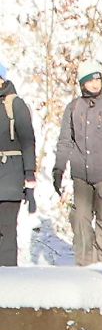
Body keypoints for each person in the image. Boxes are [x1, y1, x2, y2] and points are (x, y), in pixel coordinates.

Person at [52, 62, 102, 268]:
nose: (95, 83)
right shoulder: (73, 108)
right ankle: (84, 266)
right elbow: (65, 141)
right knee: (80, 219)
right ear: (82, 83)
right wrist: (58, 169)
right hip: (81, 174)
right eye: (90, 80)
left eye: (98, 79)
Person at [0, 64, 36, 269]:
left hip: (11, 177)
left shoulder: (15, 104)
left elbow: (28, 141)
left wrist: (29, 176)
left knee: (6, 229)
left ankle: (7, 279)